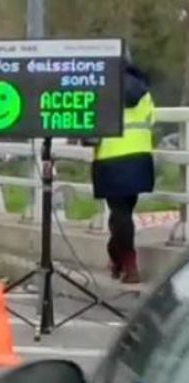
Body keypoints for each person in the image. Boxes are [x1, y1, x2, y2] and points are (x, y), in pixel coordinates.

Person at [88, 55, 156, 284]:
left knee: (119, 214)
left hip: (111, 158)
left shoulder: (102, 88)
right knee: (124, 211)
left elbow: (92, 124)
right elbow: (151, 120)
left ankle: (128, 264)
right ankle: (118, 259)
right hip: (139, 158)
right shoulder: (143, 92)